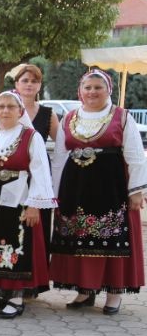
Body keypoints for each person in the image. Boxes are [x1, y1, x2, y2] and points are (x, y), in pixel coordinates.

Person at [50, 69, 146, 315]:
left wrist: (136, 190)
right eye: (88, 87)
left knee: (112, 239)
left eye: (97, 87)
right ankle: (85, 290)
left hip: (111, 187)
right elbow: (59, 157)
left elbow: (135, 155)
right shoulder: (69, 118)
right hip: (75, 187)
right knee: (79, 238)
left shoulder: (121, 117)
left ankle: (114, 294)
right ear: (80, 91)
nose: (92, 92)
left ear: (108, 90)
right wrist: (54, 192)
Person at [0, 91, 55, 318]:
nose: (5, 111)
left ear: (20, 111)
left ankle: (16, 297)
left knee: (16, 242)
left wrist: (34, 205)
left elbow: (40, 171)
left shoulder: (31, 136)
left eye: (11, 106)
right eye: (0, 107)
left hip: (19, 198)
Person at [13, 64, 58, 257]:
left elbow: (62, 145)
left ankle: (37, 265)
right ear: (17, 84)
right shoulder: (7, 108)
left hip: (39, 172)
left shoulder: (48, 113)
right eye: (25, 80)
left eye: (34, 81)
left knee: (38, 222)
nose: (29, 84)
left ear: (39, 86)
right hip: (13, 171)